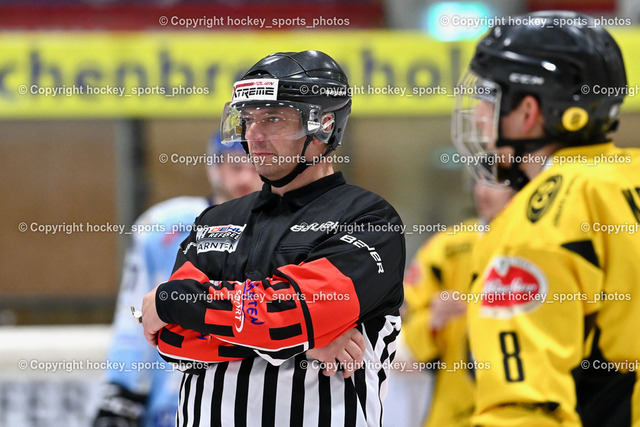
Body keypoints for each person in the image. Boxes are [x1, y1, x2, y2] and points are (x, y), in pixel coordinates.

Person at [140, 50, 405, 426]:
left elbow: (284, 316)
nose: (253, 134)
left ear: (323, 125)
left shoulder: (368, 220)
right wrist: (301, 343)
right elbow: (173, 341)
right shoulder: (217, 219)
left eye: (273, 118)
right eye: (248, 119)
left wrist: (172, 300)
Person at [451, 10, 640, 426]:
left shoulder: (537, 224)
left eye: (489, 97)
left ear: (528, 112)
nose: (479, 114)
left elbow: (525, 409)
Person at [93, 135, 262, 427]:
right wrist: (122, 393)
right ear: (214, 166)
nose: (245, 177)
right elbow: (134, 314)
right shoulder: (164, 226)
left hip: (253, 402)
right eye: (235, 165)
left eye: (254, 166)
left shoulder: (286, 230)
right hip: (170, 407)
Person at [402, 181, 514, 427]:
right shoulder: (447, 247)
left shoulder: (540, 244)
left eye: (495, 182)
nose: (481, 191)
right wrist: (433, 320)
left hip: (519, 405)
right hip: (452, 412)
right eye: (477, 181)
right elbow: (408, 337)